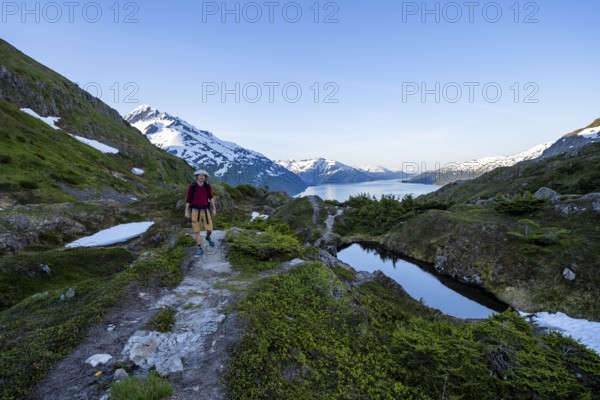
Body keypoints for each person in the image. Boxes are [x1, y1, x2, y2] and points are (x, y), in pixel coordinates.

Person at [185, 169, 217, 255]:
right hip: (195, 211)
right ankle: (200, 248)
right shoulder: (192, 186)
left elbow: (211, 197)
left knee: (209, 229)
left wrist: (214, 208)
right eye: (199, 175)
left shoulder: (207, 186)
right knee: (196, 231)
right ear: (197, 176)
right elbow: (188, 199)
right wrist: (186, 211)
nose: (201, 177)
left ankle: (208, 237)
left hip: (205, 211)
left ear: (205, 177)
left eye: (203, 175)